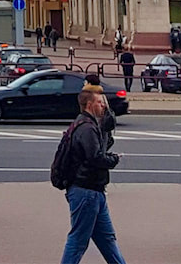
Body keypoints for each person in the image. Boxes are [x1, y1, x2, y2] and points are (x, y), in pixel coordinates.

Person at [57, 88, 127, 264]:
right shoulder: (87, 128)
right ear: (89, 104)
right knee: (79, 241)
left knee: (107, 240)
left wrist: (106, 130)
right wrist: (114, 159)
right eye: (99, 102)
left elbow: (99, 149)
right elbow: (95, 157)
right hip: (86, 191)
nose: (103, 105)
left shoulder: (89, 125)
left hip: (94, 191)